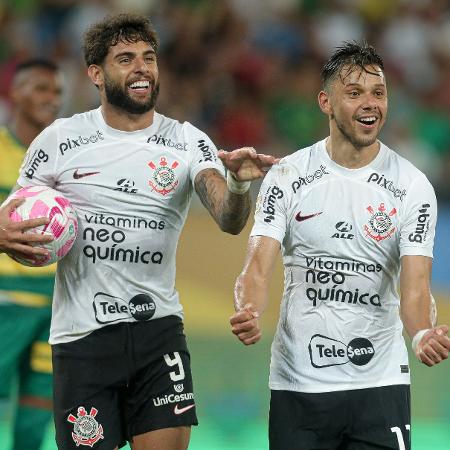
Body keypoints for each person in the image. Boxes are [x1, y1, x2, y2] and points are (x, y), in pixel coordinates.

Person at [0, 13, 276, 450]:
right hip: (81, 339)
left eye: (148, 57)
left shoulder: (187, 141)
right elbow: (11, 216)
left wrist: (241, 182)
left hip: (158, 332)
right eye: (125, 59)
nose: (141, 68)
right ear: (96, 73)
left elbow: (229, 218)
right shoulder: (59, 140)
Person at [230, 42, 450, 450]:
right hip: (299, 385)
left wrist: (420, 334)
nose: (371, 104)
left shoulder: (412, 186)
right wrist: (248, 309)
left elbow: (416, 287)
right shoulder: (287, 176)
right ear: (326, 102)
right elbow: (256, 267)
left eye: (378, 93)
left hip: (379, 385)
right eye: (355, 93)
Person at [0, 59, 63, 450]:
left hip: (56, 307)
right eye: (41, 89)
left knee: (37, 414)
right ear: (16, 93)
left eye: (57, 92)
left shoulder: (67, 160)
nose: (52, 100)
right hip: (6, 302)